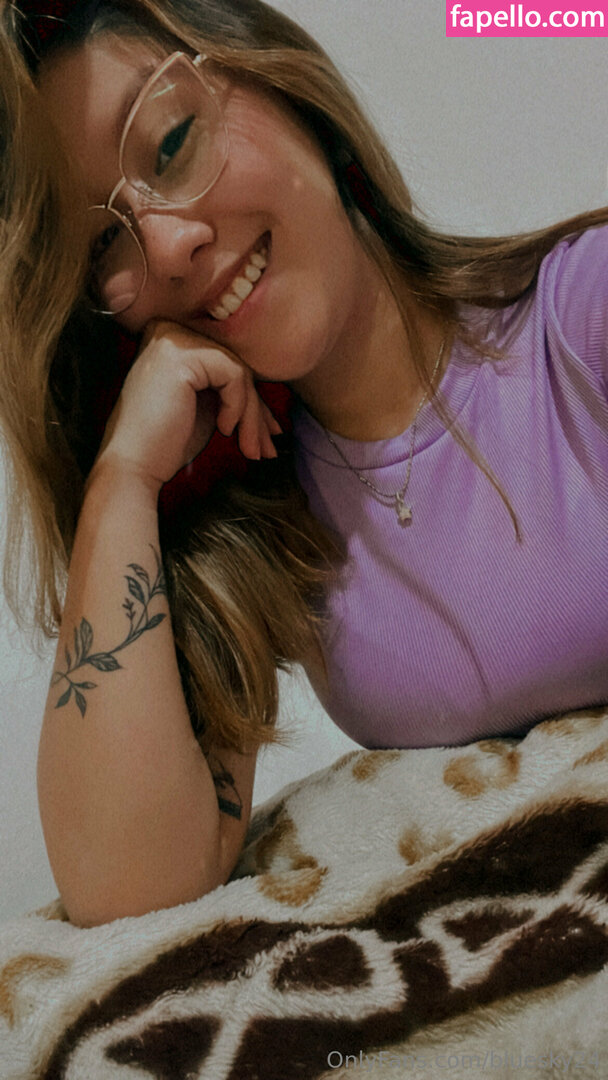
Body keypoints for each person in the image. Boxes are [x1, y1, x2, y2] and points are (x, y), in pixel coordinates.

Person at [0, 0, 606, 928]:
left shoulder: (581, 324)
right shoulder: (255, 524)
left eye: (171, 143)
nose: (169, 245)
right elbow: (126, 889)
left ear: (276, 75)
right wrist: (123, 480)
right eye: (105, 246)